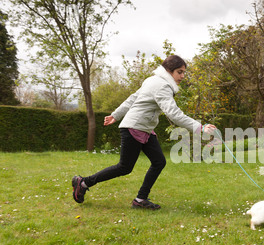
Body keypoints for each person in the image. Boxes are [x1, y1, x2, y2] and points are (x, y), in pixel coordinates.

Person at [72, 55, 216, 209]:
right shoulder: (162, 86)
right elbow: (173, 113)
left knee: (159, 162)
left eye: (183, 73)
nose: (182, 76)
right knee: (124, 167)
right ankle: (84, 182)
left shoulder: (153, 81)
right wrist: (200, 128)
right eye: (179, 72)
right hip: (135, 127)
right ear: (169, 71)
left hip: (144, 128)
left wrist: (116, 115)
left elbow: (133, 98)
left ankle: (141, 199)